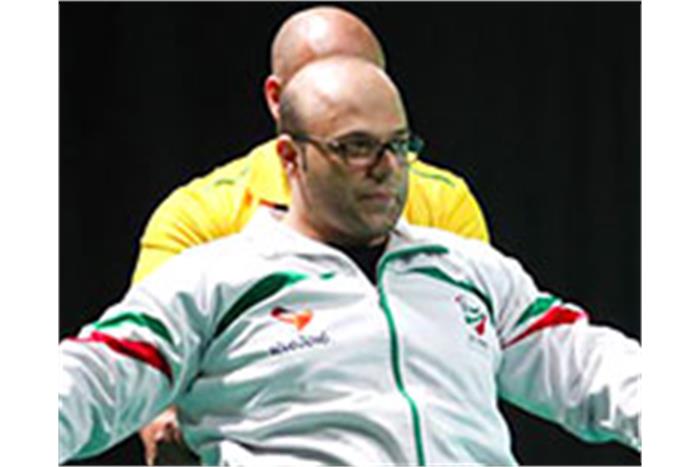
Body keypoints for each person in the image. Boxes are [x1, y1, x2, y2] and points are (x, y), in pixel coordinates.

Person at [59, 56, 640, 466]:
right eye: (356, 147)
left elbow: (588, 364)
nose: (386, 168)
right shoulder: (215, 279)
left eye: (399, 145)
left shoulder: (470, 269)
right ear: (291, 157)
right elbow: (89, 380)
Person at [132, 6, 490, 464]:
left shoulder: (444, 201)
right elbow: (151, 390)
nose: (352, 93)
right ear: (277, 98)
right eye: (327, 79)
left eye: (367, 78)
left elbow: (474, 364)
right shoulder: (196, 216)